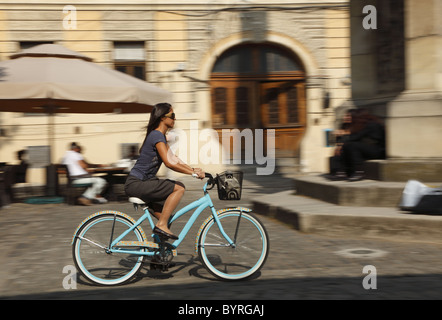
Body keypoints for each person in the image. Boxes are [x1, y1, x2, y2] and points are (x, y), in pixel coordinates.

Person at [124, 103, 205, 240]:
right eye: (172, 116)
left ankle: (159, 258)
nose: (175, 119)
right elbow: (169, 163)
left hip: (142, 183)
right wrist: (192, 173)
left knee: (167, 218)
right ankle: (161, 225)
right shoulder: (157, 135)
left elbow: (174, 159)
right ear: (162, 117)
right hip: (137, 183)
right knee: (179, 188)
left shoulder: (158, 136)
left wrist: (193, 170)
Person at [341, 108, 386, 181]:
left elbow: (356, 137)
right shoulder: (365, 125)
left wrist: (346, 134)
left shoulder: (371, 125)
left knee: (352, 146)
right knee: (347, 146)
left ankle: (359, 172)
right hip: (371, 149)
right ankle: (347, 172)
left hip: (378, 151)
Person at [328, 109, 355, 179]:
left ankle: (342, 172)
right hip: (343, 146)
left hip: (351, 146)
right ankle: (336, 172)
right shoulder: (343, 125)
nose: (346, 117)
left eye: (349, 116)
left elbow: (353, 136)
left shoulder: (355, 125)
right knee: (335, 153)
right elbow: (339, 139)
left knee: (341, 151)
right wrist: (339, 145)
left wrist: (344, 133)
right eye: (346, 116)